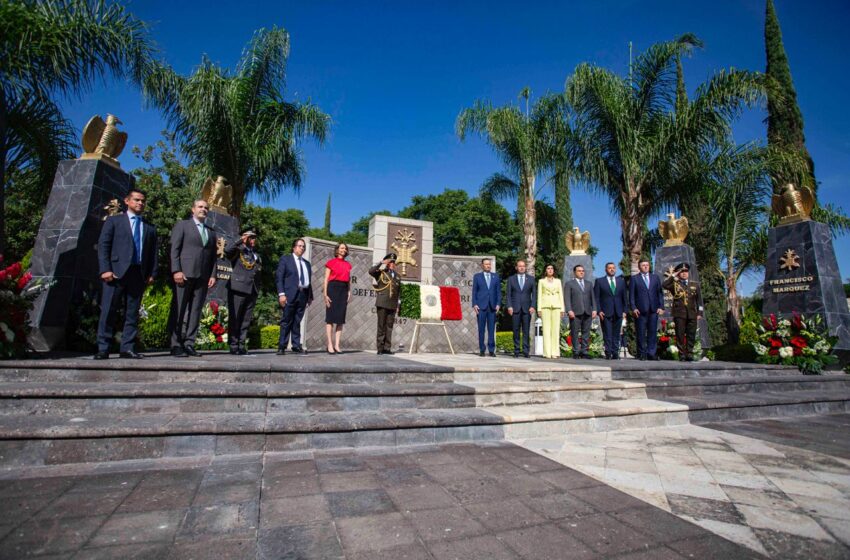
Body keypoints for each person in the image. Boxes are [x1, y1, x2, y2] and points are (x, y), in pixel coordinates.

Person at [94, 188, 158, 360]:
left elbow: (153, 253)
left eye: (143, 201)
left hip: (138, 274)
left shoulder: (149, 228)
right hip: (115, 273)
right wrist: (105, 269)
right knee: (108, 311)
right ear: (127, 201)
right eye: (137, 200)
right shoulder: (115, 221)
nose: (140, 203)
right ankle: (103, 348)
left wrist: (152, 273)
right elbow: (104, 246)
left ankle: (127, 347)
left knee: (132, 313)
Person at [167, 199, 217, 357]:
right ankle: (175, 344)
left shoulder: (211, 231)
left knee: (195, 311)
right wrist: (176, 270)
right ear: (193, 209)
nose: (203, 209)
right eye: (200, 207)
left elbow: (213, 257)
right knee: (179, 310)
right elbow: (174, 249)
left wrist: (213, 275)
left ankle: (189, 343)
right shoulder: (182, 225)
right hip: (184, 275)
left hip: (202, 277)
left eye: (206, 208)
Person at [224, 226, 261, 355]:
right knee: (235, 318)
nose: (253, 240)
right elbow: (227, 250)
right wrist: (240, 240)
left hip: (252, 290)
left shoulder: (255, 254)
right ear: (245, 237)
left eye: (254, 238)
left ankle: (241, 344)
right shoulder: (238, 250)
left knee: (246, 320)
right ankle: (233, 345)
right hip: (238, 288)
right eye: (251, 237)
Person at [275, 238, 313, 354]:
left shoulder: (306, 263)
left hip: (303, 295)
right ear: (294, 247)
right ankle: (282, 346)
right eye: (300, 246)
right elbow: (279, 278)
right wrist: (281, 294)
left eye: (303, 246)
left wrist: (310, 296)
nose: (302, 248)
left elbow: (308, 281)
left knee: (297, 321)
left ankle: (296, 345)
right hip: (289, 294)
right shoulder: (286, 259)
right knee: (286, 320)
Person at [663, 262, 703, 361]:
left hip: (692, 314)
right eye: (681, 272)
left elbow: (699, 301)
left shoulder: (694, 285)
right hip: (679, 314)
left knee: (691, 334)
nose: (684, 273)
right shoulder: (675, 284)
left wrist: (700, 313)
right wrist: (673, 275)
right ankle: (681, 354)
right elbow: (664, 284)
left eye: (686, 271)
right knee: (680, 334)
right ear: (678, 273)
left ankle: (689, 353)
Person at [629, 259, 664, 360]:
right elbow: (631, 295)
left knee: (652, 332)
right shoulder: (635, 279)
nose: (645, 267)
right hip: (640, 310)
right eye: (643, 265)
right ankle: (642, 353)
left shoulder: (655, 278)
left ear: (649, 266)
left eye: (647, 265)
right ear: (639, 267)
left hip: (653, 310)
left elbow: (660, 293)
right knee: (641, 333)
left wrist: (661, 306)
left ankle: (651, 353)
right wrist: (634, 307)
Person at [594, 262, 629, 360]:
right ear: (606, 269)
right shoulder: (600, 281)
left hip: (618, 311)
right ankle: (608, 352)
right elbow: (596, 297)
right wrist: (599, 310)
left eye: (613, 268)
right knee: (607, 333)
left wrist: (625, 311)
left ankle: (615, 353)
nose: (612, 269)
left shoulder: (621, 281)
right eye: (609, 268)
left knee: (617, 333)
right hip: (605, 312)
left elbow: (624, 298)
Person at [369, 253, 401, 355]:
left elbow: (399, 293)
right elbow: (371, 271)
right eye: (390, 262)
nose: (392, 263)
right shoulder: (381, 273)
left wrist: (398, 305)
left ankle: (387, 348)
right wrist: (381, 263)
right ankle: (380, 348)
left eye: (393, 262)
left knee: (389, 327)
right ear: (387, 263)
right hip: (382, 303)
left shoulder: (397, 276)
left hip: (392, 304)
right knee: (381, 326)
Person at [323, 242, 352, 354]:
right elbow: (326, 279)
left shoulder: (348, 265)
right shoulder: (330, 263)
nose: (343, 250)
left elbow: (348, 280)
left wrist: (349, 291)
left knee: (340, 320)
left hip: (343, 290)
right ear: (337, 250)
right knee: (330, 318)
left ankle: (337, 345)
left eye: (345, 248)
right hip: (332, 288)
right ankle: (329, 344)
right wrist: (325, 294)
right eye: (341, 248)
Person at [564, 264, 597, 359]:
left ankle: (585, 351)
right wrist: (569, 310)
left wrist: (594, 309)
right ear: (575, 272)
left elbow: (593, 298)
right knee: (574, 332)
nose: (581, 272)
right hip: (575, 312)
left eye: (583, 271)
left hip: (588, 311)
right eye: (579, 271)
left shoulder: (589, 284)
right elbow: (567, 298)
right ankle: (576, 351)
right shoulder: (569, 284)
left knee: (586, 332)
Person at [506, 260, 536, 358]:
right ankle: (516, 350)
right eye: (520, 266)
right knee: (516, 330)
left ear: (525, 267)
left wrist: (533, 306)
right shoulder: (511, 279)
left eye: (523, 266)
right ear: (516, 267)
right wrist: (509, 306)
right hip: (515, 308)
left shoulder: (531, 279)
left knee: (526, 331)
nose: (522, 268)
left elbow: (534, 295)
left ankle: (526, 351)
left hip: (527, 309)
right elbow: (508, 294)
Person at [471, 258, 501, 357]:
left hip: (492, 307)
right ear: (482, 265)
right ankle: (482, 350)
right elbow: (474, 291)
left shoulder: (495, 277)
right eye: (486, 264)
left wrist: (498, 304)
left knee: (491, 329)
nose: (488, 266)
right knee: (481, 329)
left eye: (489, 264)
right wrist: (474, 304)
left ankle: (492, 350)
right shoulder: (477, 277)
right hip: (481, 306)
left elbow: (498, 292)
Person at [537, 264, 564, 359]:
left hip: (556, 306)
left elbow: (561, 294)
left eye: (552, 268)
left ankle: (555, 352)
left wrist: (562, 309)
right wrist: (539, 308)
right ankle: (547, 353)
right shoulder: (541, 281)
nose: (550, 270)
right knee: (546, 330)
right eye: (548, 268)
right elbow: (539, 295)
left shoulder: (558, 281)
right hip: (545, 306)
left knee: (555, 330)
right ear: (545, 270)